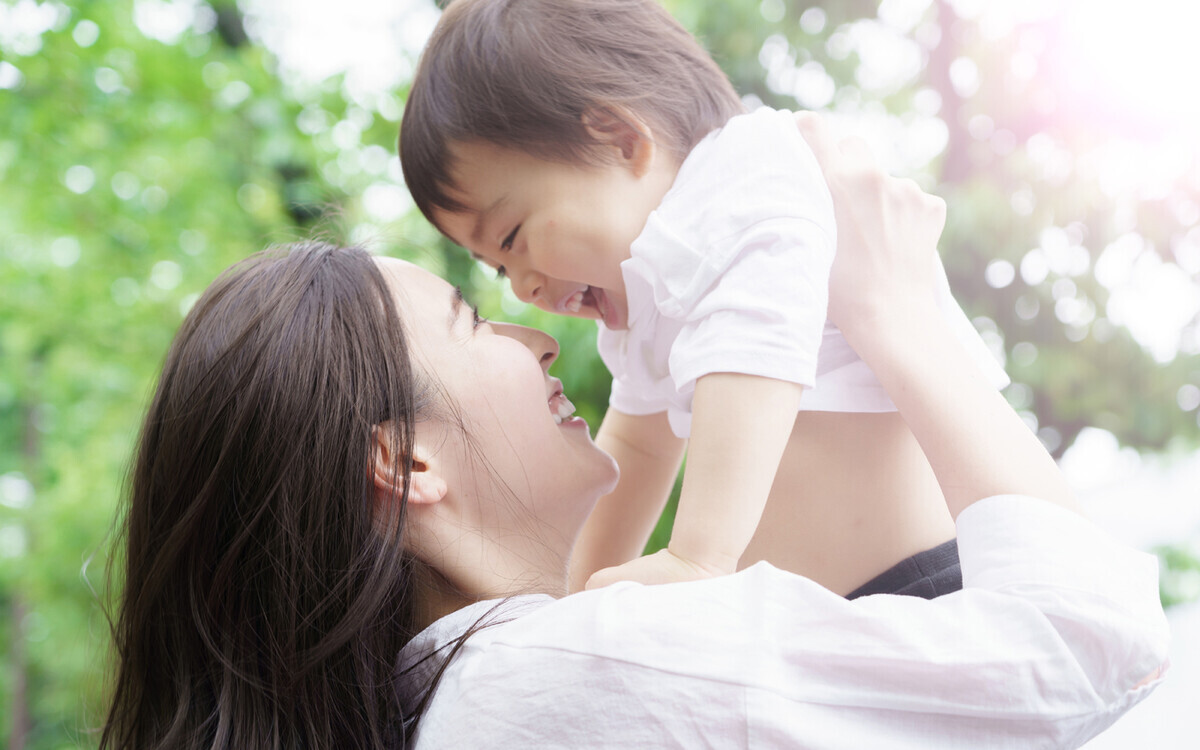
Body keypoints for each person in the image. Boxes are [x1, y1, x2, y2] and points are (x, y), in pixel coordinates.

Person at [102, 115, 1167, 749]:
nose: (533, 331)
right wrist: (898, 314)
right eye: (471, 320)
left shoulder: (488, 702)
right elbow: (1092, 646)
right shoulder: (552, 681)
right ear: (407, 461)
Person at [398, 0, 1011, 595]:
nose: (523, 287)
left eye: (512, 238)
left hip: (926, 583)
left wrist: (698, 556)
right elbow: (637, 448)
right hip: (835, 618)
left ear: (620, 139)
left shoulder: (746, 173)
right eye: (499, 268)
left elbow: (757, 340)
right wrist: (567, 597)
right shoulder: (646, 293)